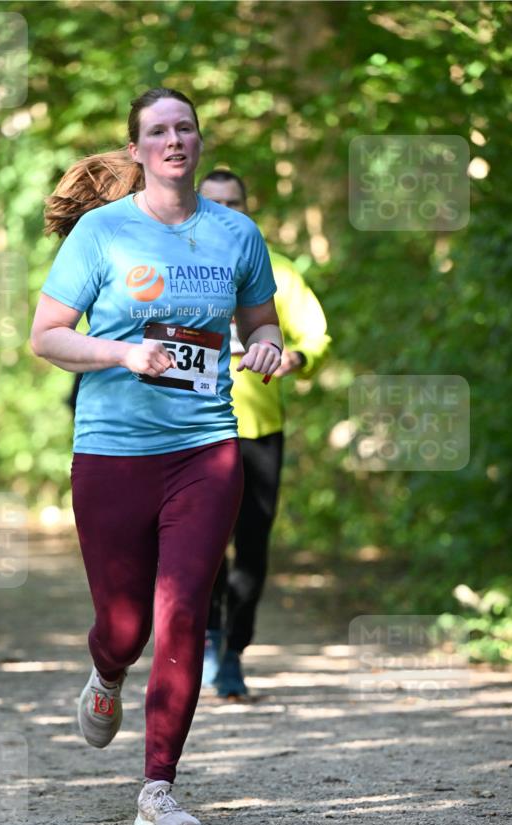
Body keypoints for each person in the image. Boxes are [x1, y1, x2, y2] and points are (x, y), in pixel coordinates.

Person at [30, 89, 283, 825]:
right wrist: (122, 353)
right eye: (157, 131)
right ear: (137, 150)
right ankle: (106, 671)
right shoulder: (101, 234)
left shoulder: (237, 235)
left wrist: (264, 344)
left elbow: (259, 320)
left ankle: (159, 789)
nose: (174, 140)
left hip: (205, 448)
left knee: (182, 612)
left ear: (198, 142)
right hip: (111, 452)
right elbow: (46, 336)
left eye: (185, 128)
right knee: (125, 625)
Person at [197, 170, 330, 698]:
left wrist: (297, 356)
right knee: (199, 544)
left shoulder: (277, 269)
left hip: (258, 427)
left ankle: (235, 651)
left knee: (251, 547)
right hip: (192, 425)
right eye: (214, 204)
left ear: (247, 209)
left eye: (235, 203)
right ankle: (205, 636)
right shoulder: (177, 264)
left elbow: (314, 332)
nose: (226, 212)